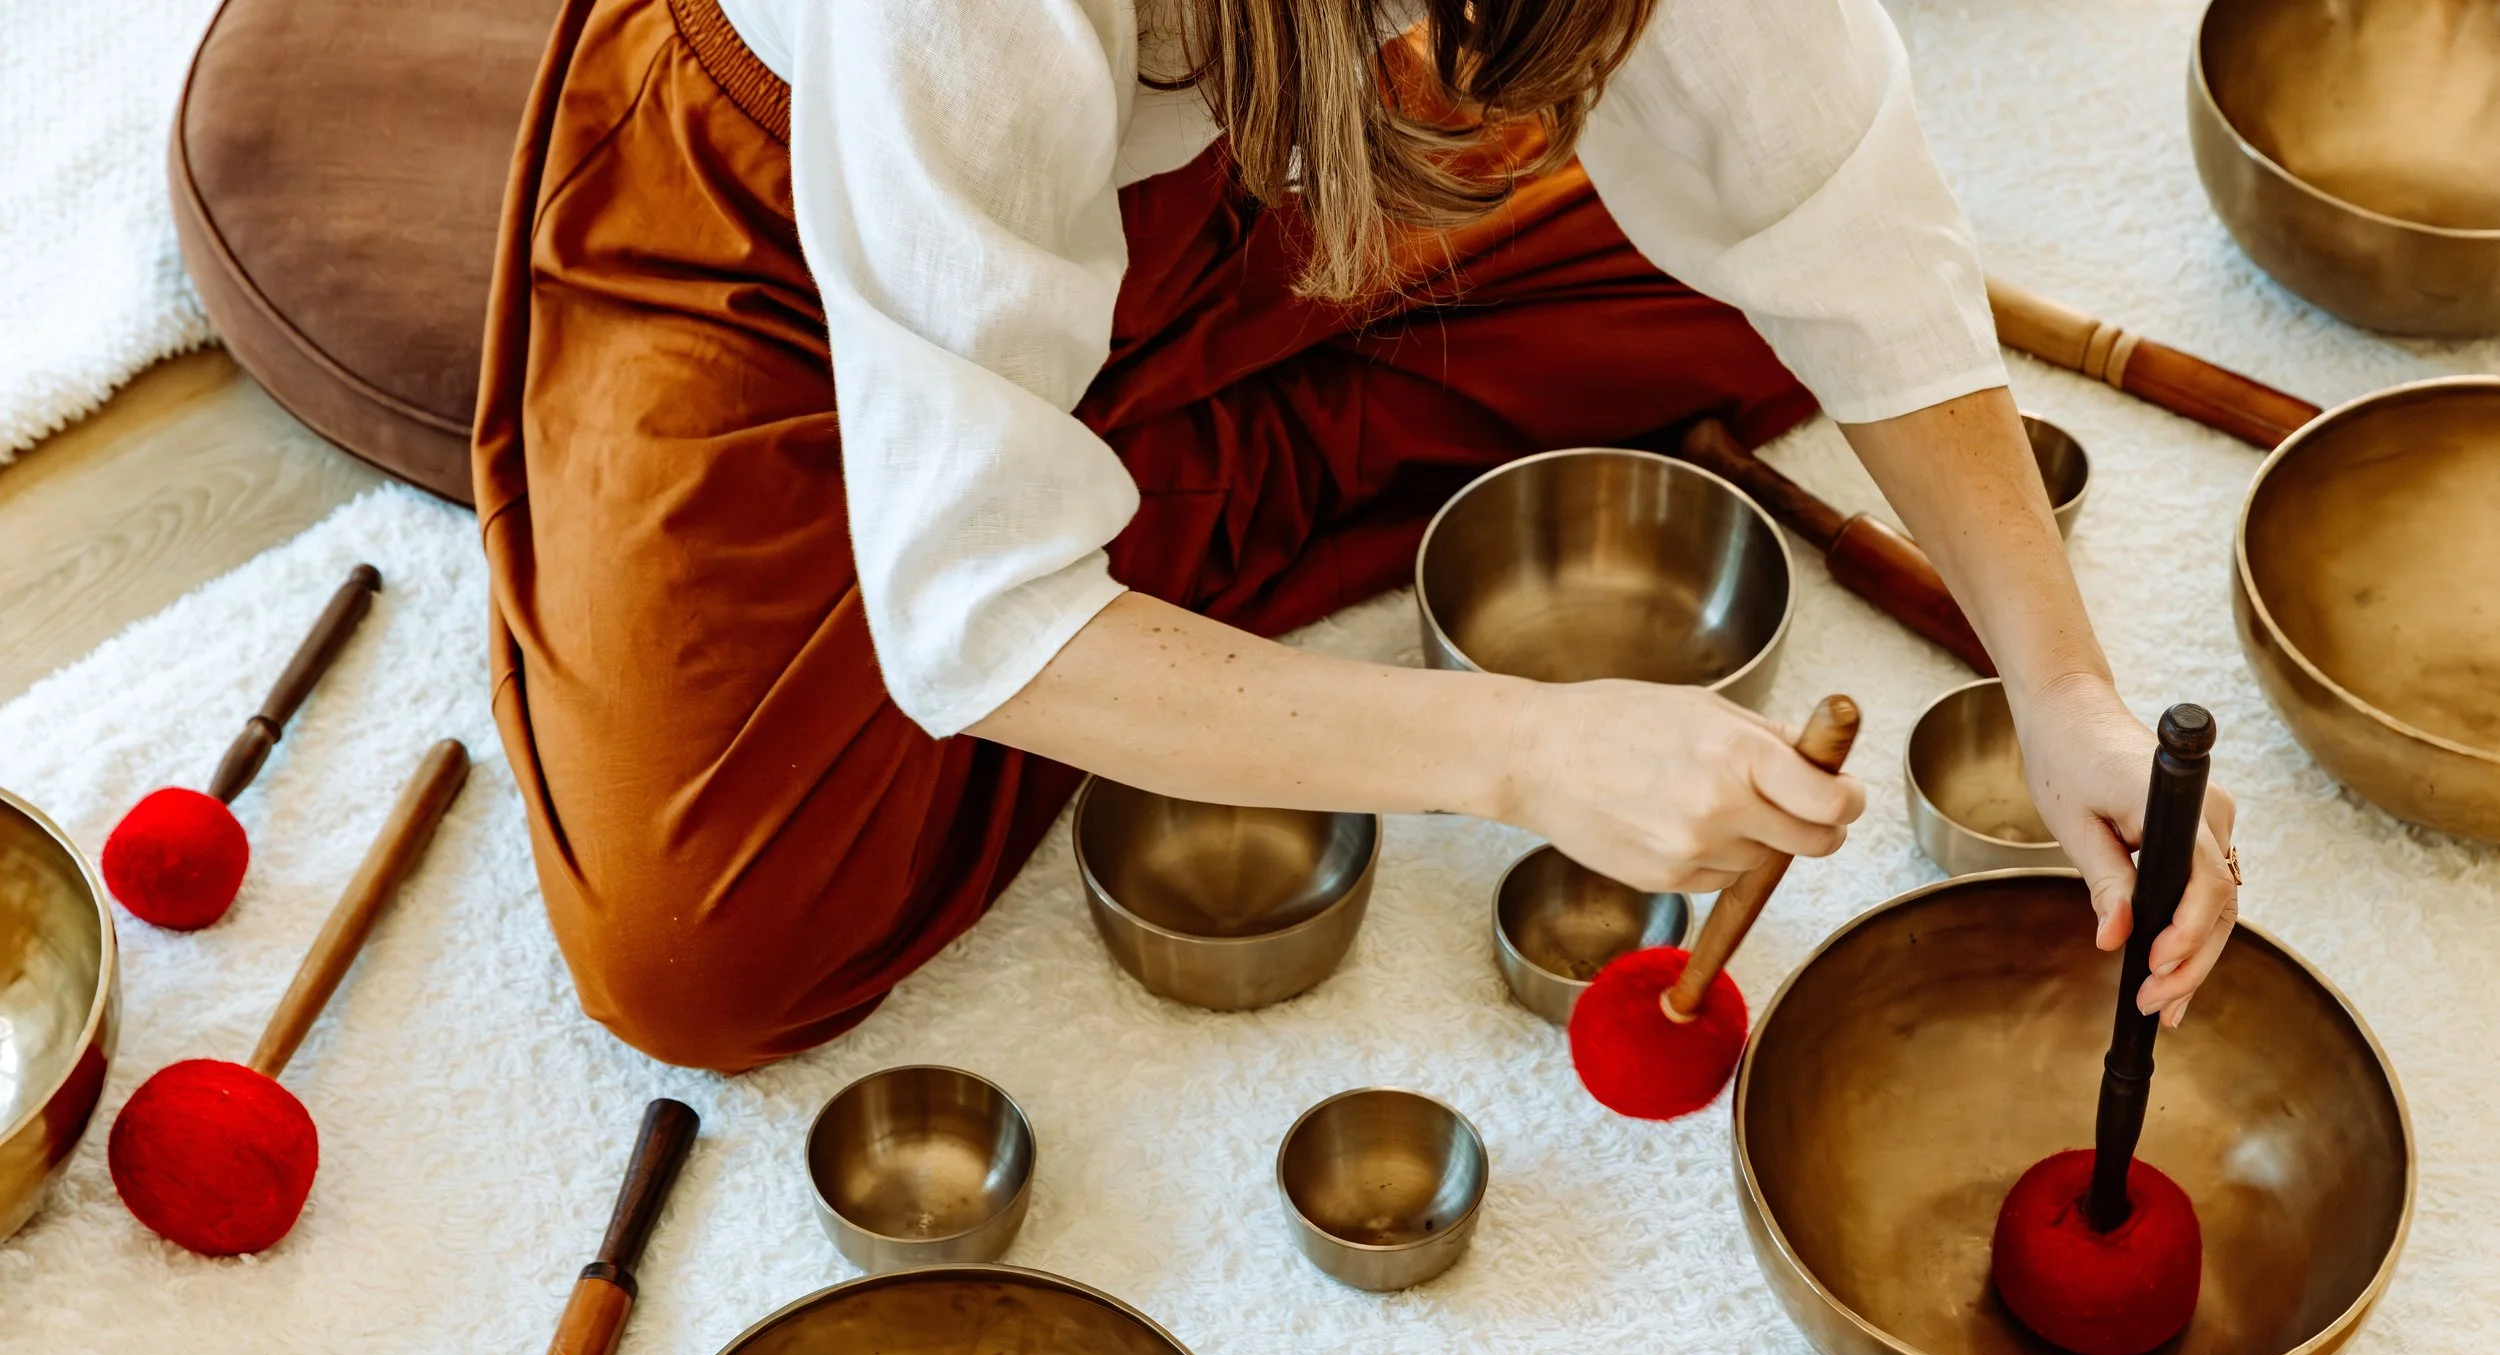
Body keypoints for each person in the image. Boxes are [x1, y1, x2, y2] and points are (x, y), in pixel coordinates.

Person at [474, 0, 2239, 1071]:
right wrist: (1523, 747)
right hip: (788, 206)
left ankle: (1122, 449)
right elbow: (978, 611)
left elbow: (1826, 198)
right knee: (700, 950)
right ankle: (1062, 454)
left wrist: (2062, 684)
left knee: (1770, 313)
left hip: (1251, 143)